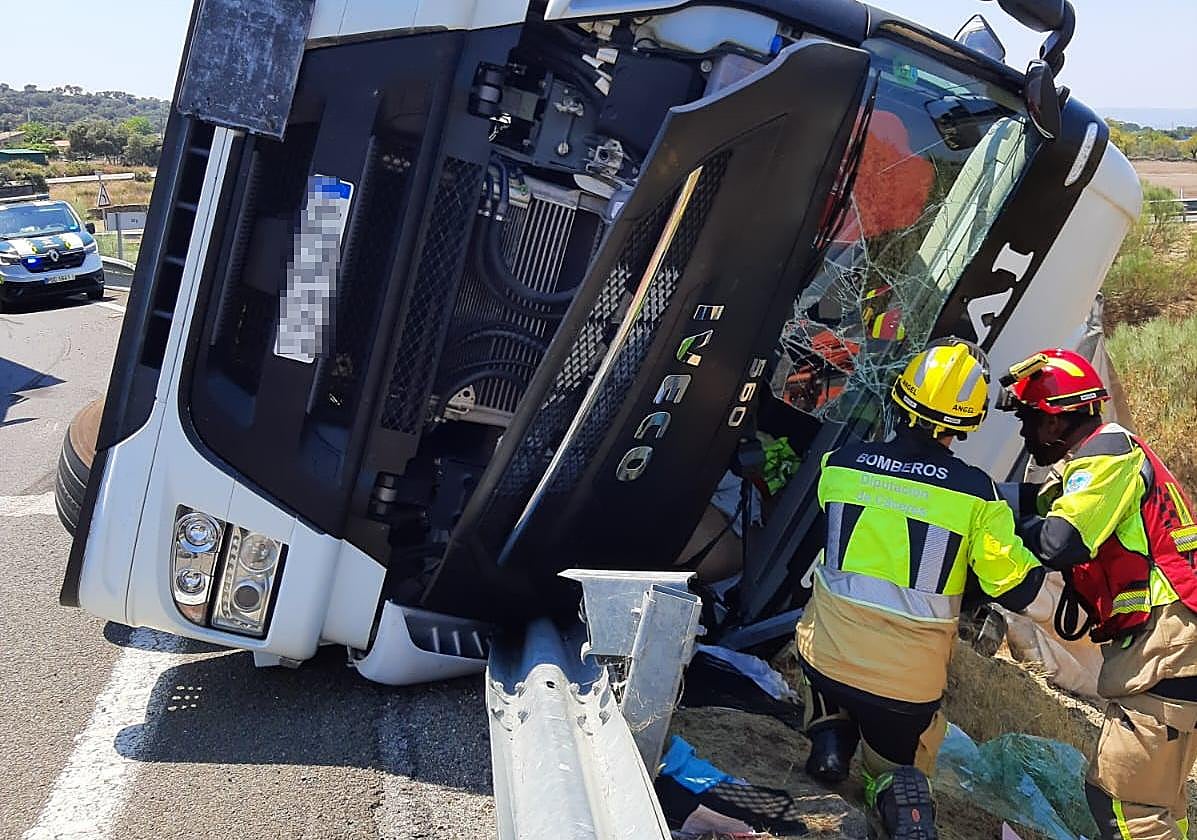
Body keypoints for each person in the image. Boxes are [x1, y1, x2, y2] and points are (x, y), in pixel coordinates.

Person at [796, 338, 1047, 840]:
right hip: (906, 691)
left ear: (899, 397)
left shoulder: (840, 466)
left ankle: (829, 735)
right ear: (968, 424)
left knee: (819, 615)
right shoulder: (979, 495)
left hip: (826, 662)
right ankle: (895, 790)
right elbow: (1017, 591)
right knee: (896, 764)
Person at [999, 348, 1197, 840]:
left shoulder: (1105, 461)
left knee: (1123, 804)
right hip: (1181, 641)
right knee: (1162, 802)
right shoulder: (1109, 455)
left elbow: (1057, 541)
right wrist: (968, 492)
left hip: (1169, 646)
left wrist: (1001, 536)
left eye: (1028, 420)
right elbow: (1031, 500)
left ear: (1054, 422)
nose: (1024, 434)